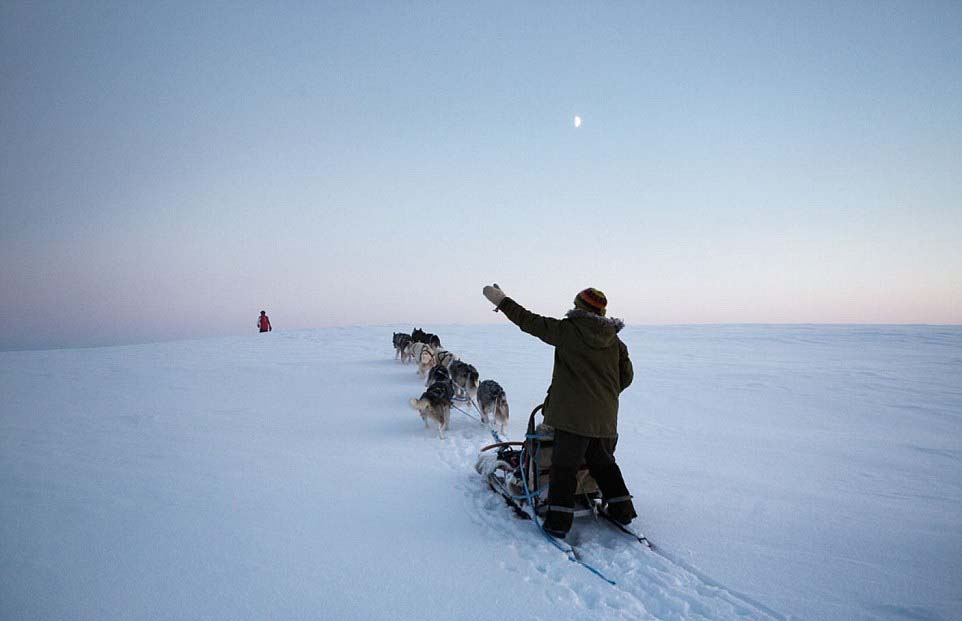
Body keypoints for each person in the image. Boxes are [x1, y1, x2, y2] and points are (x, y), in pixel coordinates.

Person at [482, 284, 635, 538]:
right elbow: (626, 377)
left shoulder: (568, 331)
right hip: (605, 418)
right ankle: (623, 511)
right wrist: (601, 395)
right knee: (603, 464)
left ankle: (558, 523)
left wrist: (503, 301)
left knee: (564, 468)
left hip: (571, 418)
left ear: (580, 307)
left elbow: (529, 321)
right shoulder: (615, 342)